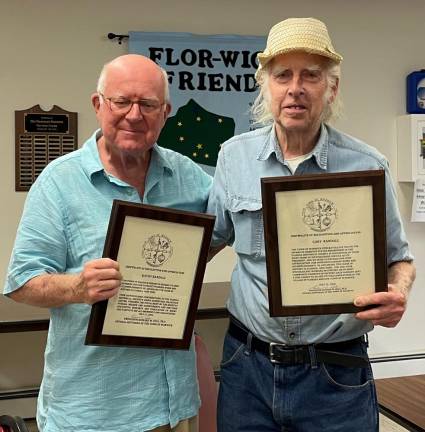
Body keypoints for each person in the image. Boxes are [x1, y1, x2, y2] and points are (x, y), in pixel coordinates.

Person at [207, 17, 416, 432]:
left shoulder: (367, 166)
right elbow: (208, 240)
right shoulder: (233, 157)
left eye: (311, 75)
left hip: (335, 375)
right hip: (247, 369)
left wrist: (397, 293)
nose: (295, 87)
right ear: (265, 85)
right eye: (283, 75)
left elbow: (400, 259)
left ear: (331, 87)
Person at [4, 54, 212, 432]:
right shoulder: (60, 182)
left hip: (174, 408)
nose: (135, 115)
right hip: (93, 412)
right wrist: (78, 287)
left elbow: (231, 224)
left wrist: (193, 259)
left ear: (165, 112)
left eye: (148, 104)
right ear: (98, 104)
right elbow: (21, 281)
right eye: (122, 101)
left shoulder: (188, 176)